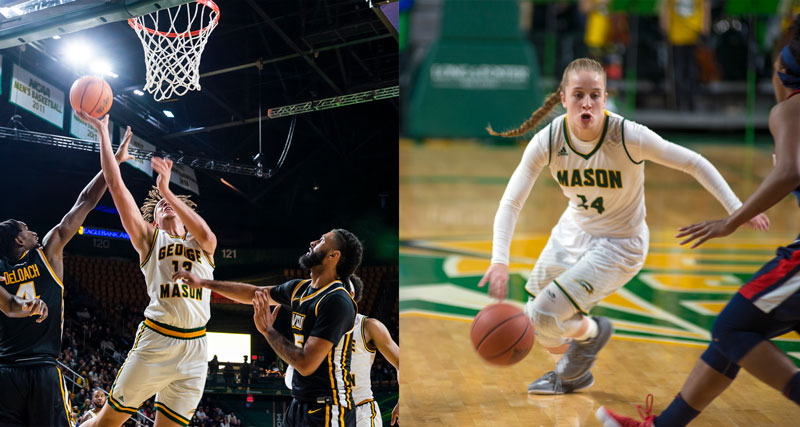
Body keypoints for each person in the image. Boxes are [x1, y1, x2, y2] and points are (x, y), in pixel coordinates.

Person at [478, 57, 770, 395]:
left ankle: (586, 342)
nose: (586, 103)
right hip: (573, 230)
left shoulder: (627, 135)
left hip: (620, 243)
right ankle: (579, 358)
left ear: (605, 97)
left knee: (545, 314)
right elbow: (511, 202)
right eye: (578, 95)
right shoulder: (548, 140)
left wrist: (737, 209)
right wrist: (499, 259)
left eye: (595, 95)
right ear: (563, 98)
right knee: (537, 321)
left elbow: (694, 162)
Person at [596, 15, 800, 427]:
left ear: (782, 72)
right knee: (736, 336)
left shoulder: (789, 109)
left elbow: (790, 171)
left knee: (732, 327)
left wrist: (732, 219)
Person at [79, 112, 217, 427]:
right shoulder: (149, 240)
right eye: (159, 206)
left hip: (196, 348)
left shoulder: (201, 245)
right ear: (153, 222)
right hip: (157, 340)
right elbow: (115, 185)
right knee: (107, 422)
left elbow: (208, 235)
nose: (165, 205)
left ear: (185, 220)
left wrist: (168, 192)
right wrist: (104, 134)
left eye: (172, 205)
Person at [0, 130, 131, 426]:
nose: (33, 230)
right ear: (19, 241)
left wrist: (114, 161)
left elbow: (9, 306)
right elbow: (85, 202)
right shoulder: (49, 252)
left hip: (7, 372)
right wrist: (115, 162)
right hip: (42, 369)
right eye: (26, 228)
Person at [174, 229, 363, 426]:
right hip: (299, 404)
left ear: (334, 255)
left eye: (322, 240)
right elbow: (254, 293)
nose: (313, 241)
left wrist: (268, 331)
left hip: (329, 409)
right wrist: (204, 283)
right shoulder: (299, 289)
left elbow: (307, 364)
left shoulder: (337, 301)